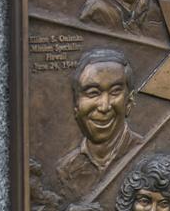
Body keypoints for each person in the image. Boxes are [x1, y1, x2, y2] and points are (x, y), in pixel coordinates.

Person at [56, 49, 142, 199]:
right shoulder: (65, 169)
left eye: (115, 92)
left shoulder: (145, 154)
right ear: (76, 104)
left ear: (129, 101)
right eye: (93, 93)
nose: (104, 106)